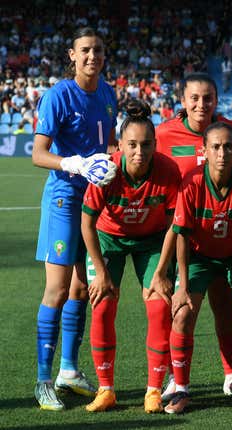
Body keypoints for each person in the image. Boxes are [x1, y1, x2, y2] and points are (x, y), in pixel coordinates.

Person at [31, 27, 118, 411]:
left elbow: (111, 144)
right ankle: (43, 380)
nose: (92, 56)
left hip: (95, 203)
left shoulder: (108, 93)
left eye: (98, 50)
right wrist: (73, 163)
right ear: (72, 54)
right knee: (58, 287)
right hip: (65, 200)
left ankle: (69, 369)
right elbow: (38, 153)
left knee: (82, 288)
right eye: (85, 50)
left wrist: (112, 162)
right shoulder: (59, 95)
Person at [80, 100, 181, 413]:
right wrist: (101, 272)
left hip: (152, 242)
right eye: (132, 145)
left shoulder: (168, 170)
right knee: (102, 304)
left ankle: (153, 389)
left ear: (155, 144)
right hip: (109, 240)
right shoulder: (106, 170)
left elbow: (172, 226)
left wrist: (162, 271)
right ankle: (106, 390)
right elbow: (87, 223)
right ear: (119, 144)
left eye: (147, 144)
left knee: (159, 306)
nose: (140, 152)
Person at [155, 73, 232, 401]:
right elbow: (134, 156)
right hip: (185, 240)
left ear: (216, 100)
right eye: (194, 98)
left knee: (224, 307)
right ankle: (177, 380)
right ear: (183, 101)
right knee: (180, 309)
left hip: (228, 236)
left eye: (208, 97)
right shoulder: (164, 133)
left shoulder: (230, 132)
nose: (201, 104)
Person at [166, 122, 232, 415]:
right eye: (215, 147)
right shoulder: (191, 183)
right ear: (204, 151)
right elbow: (182, 237)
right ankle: (182, 390)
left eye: (228, 146)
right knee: (183, 312)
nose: (222, 153)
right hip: (200, 257)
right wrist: (183, 286)